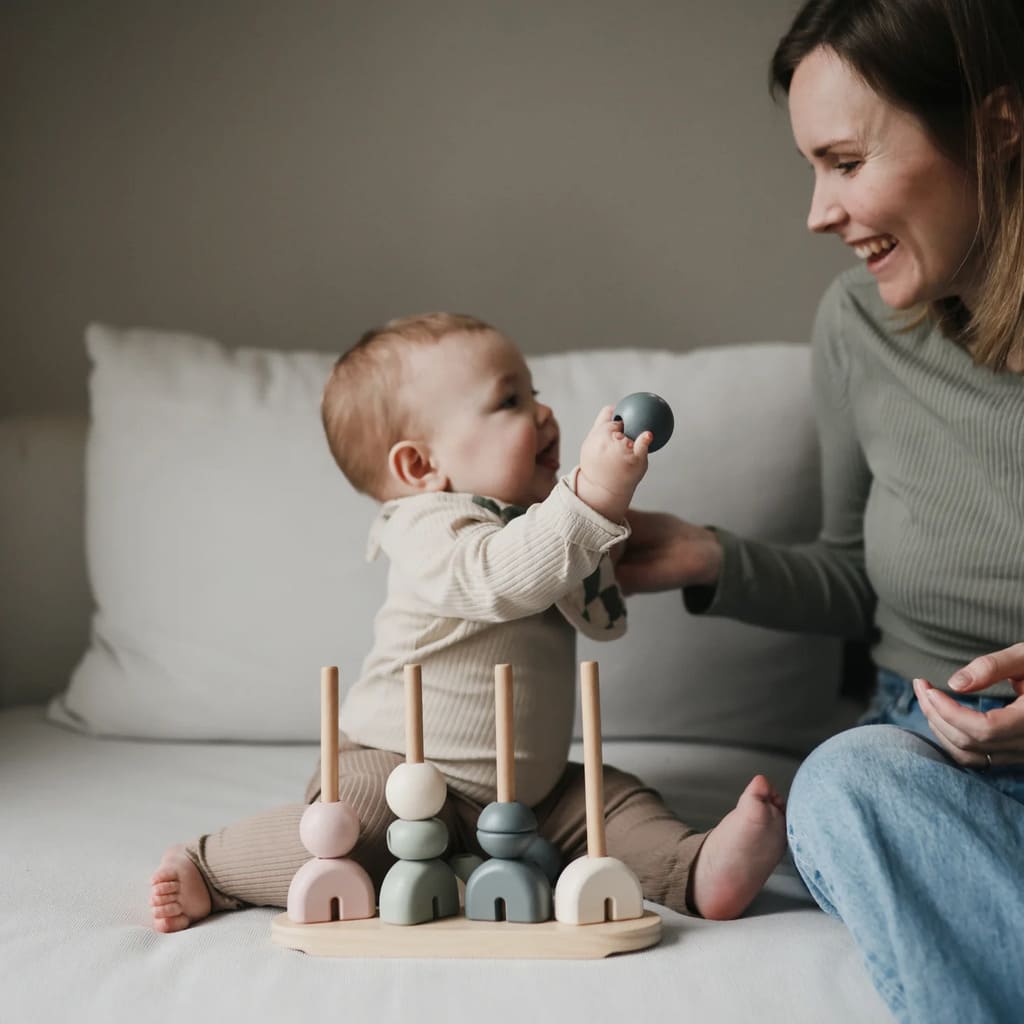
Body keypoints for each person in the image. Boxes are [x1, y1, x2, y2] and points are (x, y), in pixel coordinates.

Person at [615, 1, 1024, 1021]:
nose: (815, 211)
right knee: (842, 782)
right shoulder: (858, 326)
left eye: (843, 160)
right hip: (932, 763)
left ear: (997, 127)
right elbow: (854, 573)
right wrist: (708, 556)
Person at [149, 312, 787, 933]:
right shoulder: (428, 526)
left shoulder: (539, 522)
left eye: (533, 391)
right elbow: (500, 576)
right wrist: (589, 495)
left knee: (608, 802)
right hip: (398, 765)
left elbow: (557, 557)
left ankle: (696, 868)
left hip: (528, 792)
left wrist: (611, 531)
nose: (542, 413)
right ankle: (213, 867)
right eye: (509, 401)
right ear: (421, 469)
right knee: (351, 832)